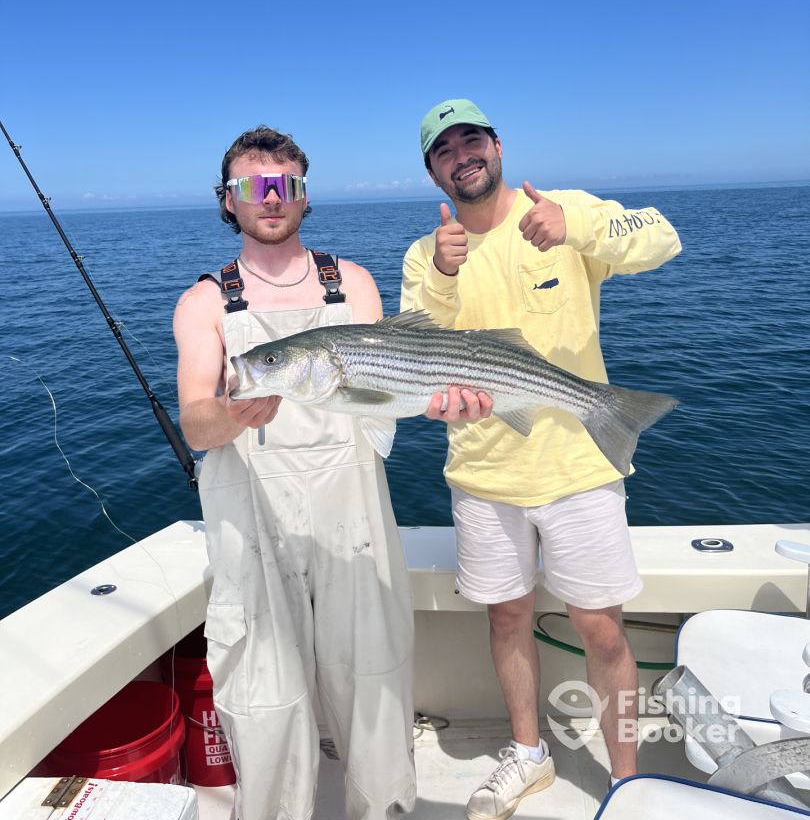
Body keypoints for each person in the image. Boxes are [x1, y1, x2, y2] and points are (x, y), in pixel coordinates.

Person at [174, 126, 481, 820]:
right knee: (264, 698)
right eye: (254, 185)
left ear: (305, 196)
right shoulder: (204, 303)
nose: (271, 198)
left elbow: (385, 396)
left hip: (354, 518)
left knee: (375, 683)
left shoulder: (354, 283)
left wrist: (440, 402)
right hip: (253, 524)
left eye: (286, 184)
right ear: (228, 199)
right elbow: (195, 423)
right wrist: (234, 416)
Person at [401, 100, 682, 820]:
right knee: (505, 618)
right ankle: (529, 754)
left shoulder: (559, 211)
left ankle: (627, 781)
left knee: (601, 627)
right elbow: (415, 355)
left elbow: (662, 237)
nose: (462, 155)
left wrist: (576, 227)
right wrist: (442, 274)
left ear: (497, 146)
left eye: (471, 139)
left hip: (578, 467)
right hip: (482, 473)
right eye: (443, 149)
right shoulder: (426, 253)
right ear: (432, 171)